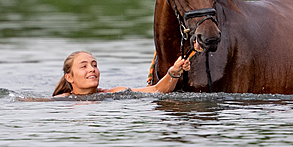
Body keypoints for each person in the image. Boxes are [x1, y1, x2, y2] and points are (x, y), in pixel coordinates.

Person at [53, 51, 190, 97]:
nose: (92, 69)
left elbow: (156, 90)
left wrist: (173, 72)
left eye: (94, 65)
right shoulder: (62, 101)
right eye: (84, 66)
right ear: (69, 77)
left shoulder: (113, 93)